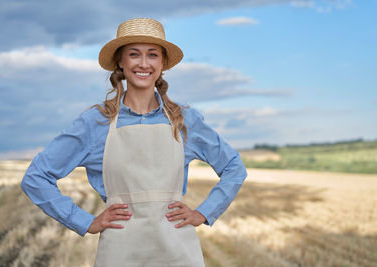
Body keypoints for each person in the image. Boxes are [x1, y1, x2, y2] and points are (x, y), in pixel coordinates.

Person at [21, 18, 247, 266]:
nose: (143, 63)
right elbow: (36, 176)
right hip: (120, 253)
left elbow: (234, 168)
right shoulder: (95, 123)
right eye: (133, 54)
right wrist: (86, 221)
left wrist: (203, 213)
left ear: (162, 63)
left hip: (178, 252)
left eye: (152, 55)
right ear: (120, 61)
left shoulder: (184, 121)